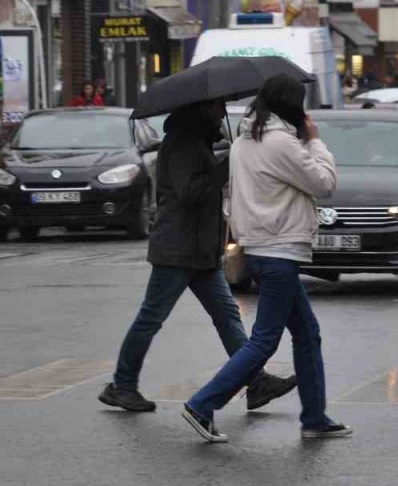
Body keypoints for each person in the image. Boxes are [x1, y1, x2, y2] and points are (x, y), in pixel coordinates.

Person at [98, 99, 297, 413]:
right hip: (177, 248)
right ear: (202, 110)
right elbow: (190, 193)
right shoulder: (181, 143)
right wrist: (226, 166)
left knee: (227, 315)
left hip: (200, 250)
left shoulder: (197, 141)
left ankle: (255, 381)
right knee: (151, 318)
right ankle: (122, 385)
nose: (221, 113)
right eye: (217, 107)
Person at [183, 75, 350, 443]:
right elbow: (324, 183)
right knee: (264, 340)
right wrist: (316, 141)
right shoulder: (280, 144)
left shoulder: (246, 141)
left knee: (307, 333)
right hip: (279, 250)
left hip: (260, 247)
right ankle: (202, 404)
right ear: (291, 105)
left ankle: (315, 417)